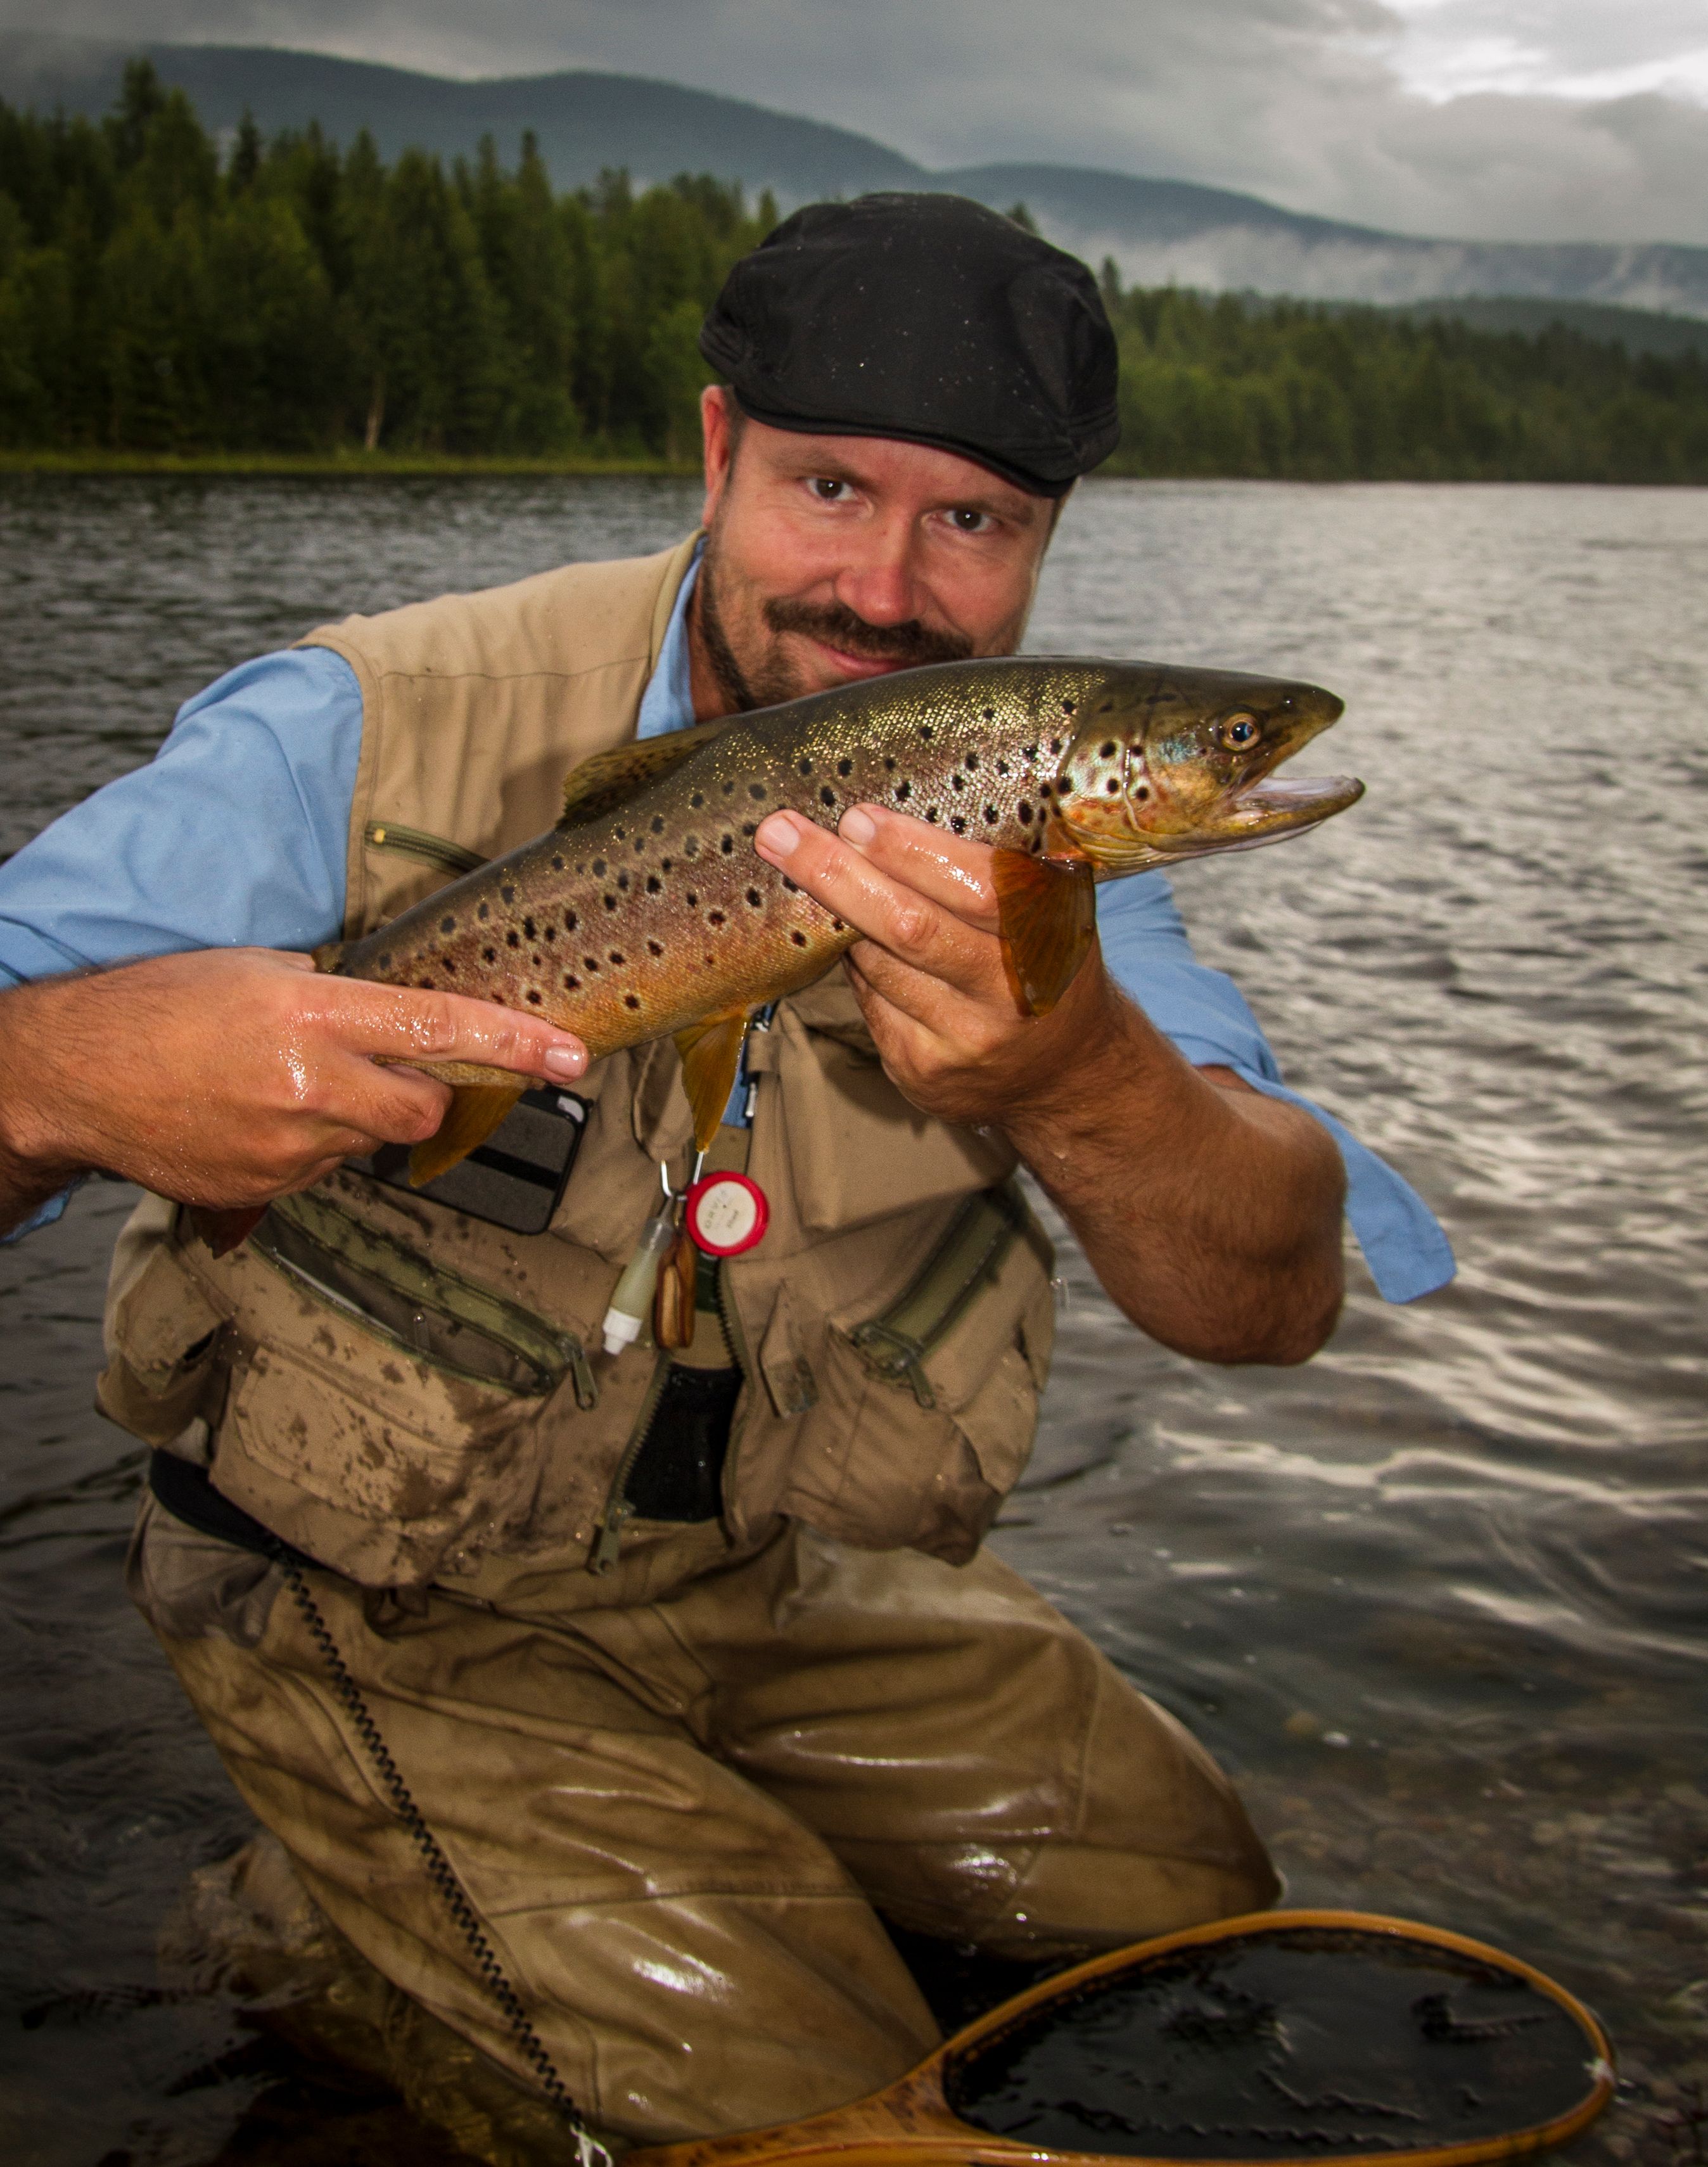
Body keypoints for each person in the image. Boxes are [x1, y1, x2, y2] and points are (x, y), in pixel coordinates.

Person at [0, 195, 1452, 2145]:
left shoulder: (1046, 841)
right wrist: (50, 1077)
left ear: (1046, 544)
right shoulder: (358, 730)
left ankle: (458, 1918)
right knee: (816, 2108)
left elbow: (1268, 1297)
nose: (885, 584)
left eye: (973, 519)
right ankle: (338, 1935)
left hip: (759, 1570)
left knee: (1193, 1915)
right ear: (716, 449)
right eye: (830, 486)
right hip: (371, 1579)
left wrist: (1085, 1073)